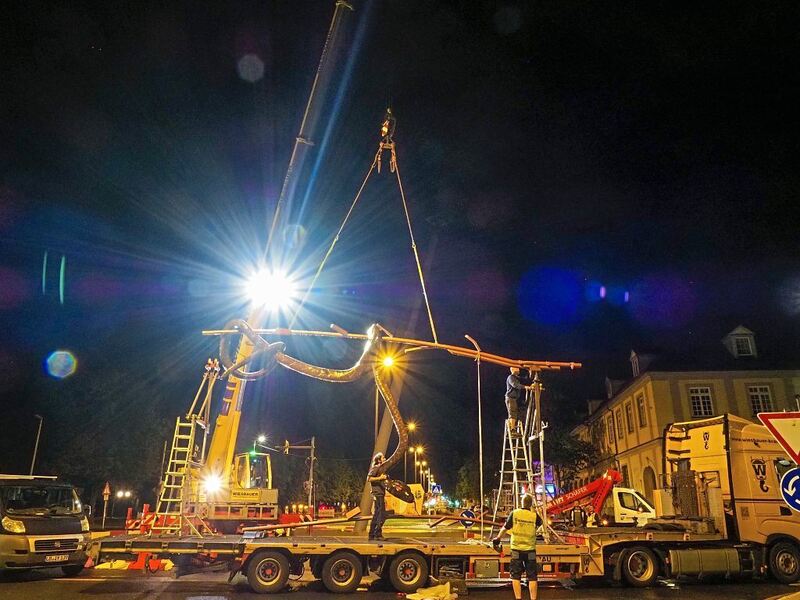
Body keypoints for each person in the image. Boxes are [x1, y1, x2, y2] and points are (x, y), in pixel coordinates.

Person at [492, 494, 541, 600]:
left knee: (516, 575)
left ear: (521, 503)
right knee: (532, 576)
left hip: (516, 549)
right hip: (530, 549)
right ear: (531, 504)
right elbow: (541, 525)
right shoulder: (534, 515)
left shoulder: (515, 513)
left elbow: (505, 528)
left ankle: (518, 598)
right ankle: (533, 598)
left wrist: (498, 538)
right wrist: (535, 532)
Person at [367, 452, 388, 540]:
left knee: (377, 514)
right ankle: (377, 534)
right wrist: (381, 478)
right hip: (377, 494)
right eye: (383, 458)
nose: (385, 458)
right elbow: (369, 478)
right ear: (379, 460)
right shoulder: (375, 468)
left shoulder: (380, 469)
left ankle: (372, 534)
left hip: (380, 494)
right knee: (381, 514)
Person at [505, 367, 530, 432]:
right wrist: (525, 387)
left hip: (513, 398)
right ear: (512, 370)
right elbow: (515, 385)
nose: (518, 369)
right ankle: (512, 429)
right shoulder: (511, 377)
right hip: (510, 398)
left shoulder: (516, 378)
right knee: (512, 413)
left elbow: (524, 379)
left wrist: (529, 372)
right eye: (517, 368)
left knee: (514, 413)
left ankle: (512, 428)